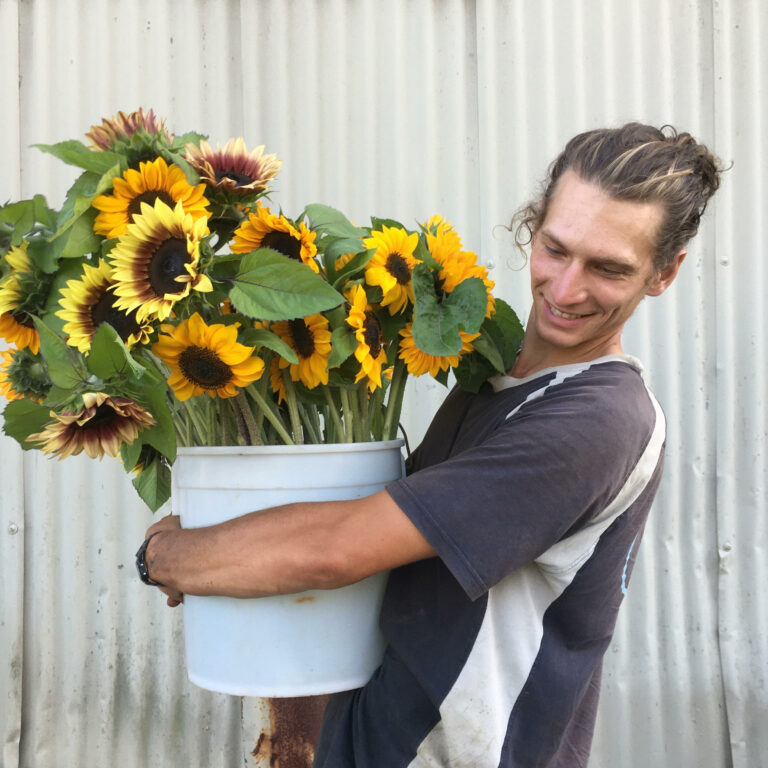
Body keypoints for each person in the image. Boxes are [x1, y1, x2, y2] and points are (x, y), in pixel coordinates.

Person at [138, 123, 722, 767]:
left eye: (608, 269)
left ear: (665, 272)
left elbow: (339, 549)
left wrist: (169, 556)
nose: (564, 289)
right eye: (556, 250)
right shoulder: (498, 376)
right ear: (533, 224)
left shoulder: (597, 420)